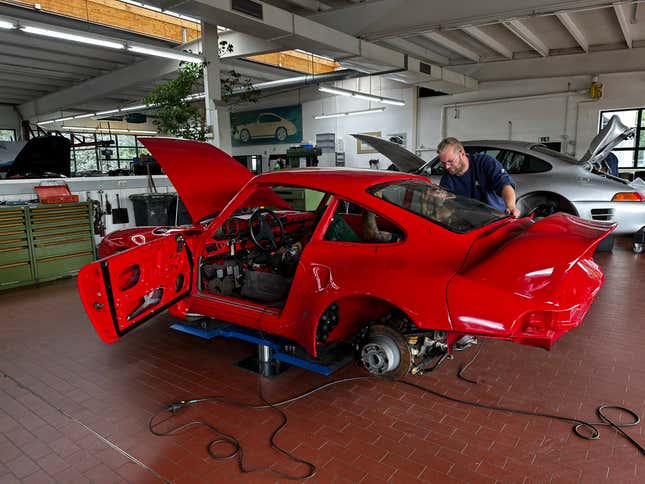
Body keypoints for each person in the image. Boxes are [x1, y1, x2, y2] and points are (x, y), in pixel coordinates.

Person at [437, 137, 520, 217]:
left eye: (450, 161)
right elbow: (447, 209)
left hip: (496, 218)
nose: (447, 167)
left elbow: (505, 185)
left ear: (462, 153)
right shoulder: (447, 179)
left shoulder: (484, 163)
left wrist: (511, 206)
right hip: (469, 224)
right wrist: (439, 202)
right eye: (443, 163)